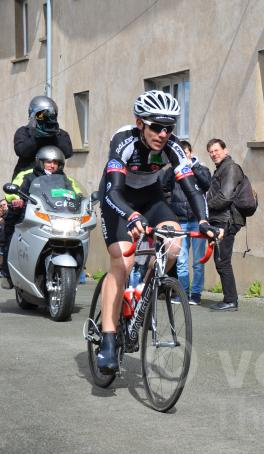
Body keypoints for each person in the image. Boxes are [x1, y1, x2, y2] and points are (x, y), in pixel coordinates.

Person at [96, 90, 221, 374]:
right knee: (122, 263)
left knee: (173, 244)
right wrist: (131, 216)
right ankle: (108, 338)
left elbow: (191, 188)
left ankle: (144, 292)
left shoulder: (172, 146)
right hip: (118, 198)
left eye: (169, 128)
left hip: (150, 198)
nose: (163, 134)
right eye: (156, 126)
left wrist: (203, 221)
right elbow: (113, 191)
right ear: (140, 123)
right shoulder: (123, 141)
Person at [2, 96, 73, 287]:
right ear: (33, 115)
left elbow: (67, 151)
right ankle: (8, 271)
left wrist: (53, 132)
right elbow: (22, 151)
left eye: (51, 115)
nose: (47, 118)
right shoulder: (24, 132)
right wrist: (37, 133)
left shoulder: (59, 132)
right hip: (25, 183)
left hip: (53, 185)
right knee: (13, 220)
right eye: (42, 115)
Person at [159, 140, 212, 305]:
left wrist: (193, 168)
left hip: (197, 220)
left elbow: (207, 184)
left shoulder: (201, 168)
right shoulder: (173, 170)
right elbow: (163, 187)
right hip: (180, 220)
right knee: (181, 261)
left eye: (185, 153)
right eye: (180, 154)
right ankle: (182, 293)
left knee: (198, 261)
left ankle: (196, 294)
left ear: (191, 153)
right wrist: (172, 167)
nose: (183, 156)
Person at [205, 138, 244, 312]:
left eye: (217, 150)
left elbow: (225, 196)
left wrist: (206, 206)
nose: (214, 154)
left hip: (226, 220)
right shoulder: (222, 168)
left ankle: (230, 300)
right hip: (222, 219)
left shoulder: (230, 168)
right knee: (221, 260)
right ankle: (230, 299)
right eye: (211, 152)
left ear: (225, 150)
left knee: (222, 260)